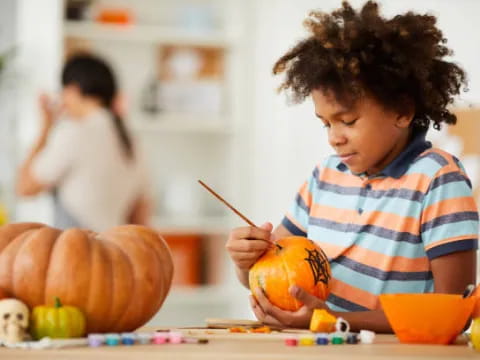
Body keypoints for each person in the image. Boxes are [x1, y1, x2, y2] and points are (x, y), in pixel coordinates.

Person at [226, 1, 478, 333]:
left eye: (347, 121)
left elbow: (454, 310)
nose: (334, 138)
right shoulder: (324, 178)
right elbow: (277, 272)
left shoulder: (438, 179)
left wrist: (333, 321)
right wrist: (246, 263)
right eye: (325, 124)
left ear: (402, 111)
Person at [16, 53, 152, 231]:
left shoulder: (74, 133)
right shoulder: (130, 139)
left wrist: (46, 126)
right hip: (115, 249)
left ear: (72, 90)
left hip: (75, 252)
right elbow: (140, 213)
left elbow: (24, 187)